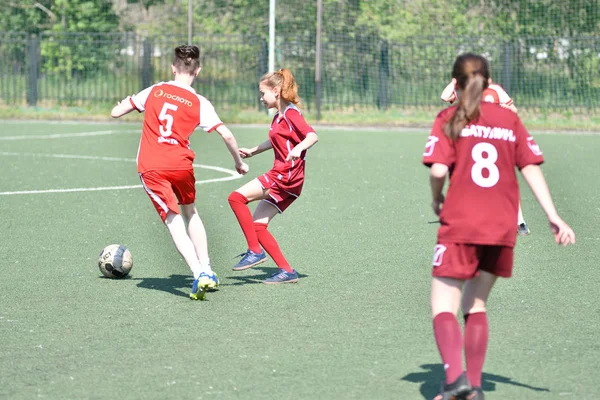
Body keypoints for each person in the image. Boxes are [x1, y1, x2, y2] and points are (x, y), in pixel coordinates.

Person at [423, 53, 575, 400]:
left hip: (460, 223)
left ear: (456, 84)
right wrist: (553, 215)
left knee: (443, 306)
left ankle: (454, 381)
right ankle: (474, 387)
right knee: (475, 305)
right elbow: (531, 166)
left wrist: (436, 198)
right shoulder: (509, 119)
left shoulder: (450, 116)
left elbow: (436, 170)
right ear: (489, 82)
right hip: (501, 226)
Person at [110, 45, 249, 300]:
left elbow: (116, 112)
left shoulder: (155, 90)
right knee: (190, 211)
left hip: (152, 166)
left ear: (173, 67)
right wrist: (239, 162)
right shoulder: (199, 102)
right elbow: (226, 134)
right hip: (181, 164)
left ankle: (198, 274)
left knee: (173, 220)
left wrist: (121, 105)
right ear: (198, 71)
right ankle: (207, 268)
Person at [227, 68, 319, 284]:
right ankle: (287, 271)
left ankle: (254, 250)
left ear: (276, 91)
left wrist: (298, 149)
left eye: (263, 93)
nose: (261, 98)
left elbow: (312, 136)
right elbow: (277, 140)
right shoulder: (280, 116)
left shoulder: (292, 113)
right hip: (289, 178)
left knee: (236, 197)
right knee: (258, 225)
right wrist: (253, 150)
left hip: (284, 175)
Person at [440, 78, 529, 235]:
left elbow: (514, 110)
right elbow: (445, 97)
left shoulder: (496, 90)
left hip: (497, 139)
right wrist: (455, 81)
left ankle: (520, 221)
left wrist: (503, 108)